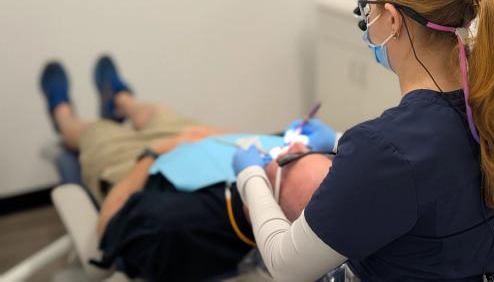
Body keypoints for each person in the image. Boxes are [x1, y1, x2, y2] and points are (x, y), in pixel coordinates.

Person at [232, 0, 494, 282]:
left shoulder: (384, 149)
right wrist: (340, 141)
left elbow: (286, 266)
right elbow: (431, 169)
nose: (366, 21)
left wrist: (249, 175)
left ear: (392, 19)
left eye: (367, 9)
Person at [39, 56, 334, 281]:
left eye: (287, 160)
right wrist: (211, 135)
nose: (292, 148)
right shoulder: (274, 164)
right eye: (307, 152)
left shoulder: (175, 227)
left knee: (95, 132)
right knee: (158, 114)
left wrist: (152, 154)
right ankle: (120, 99)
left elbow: (109, 224)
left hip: (137, 164)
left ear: (253, 209)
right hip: (200, 139)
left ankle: (61, 113)